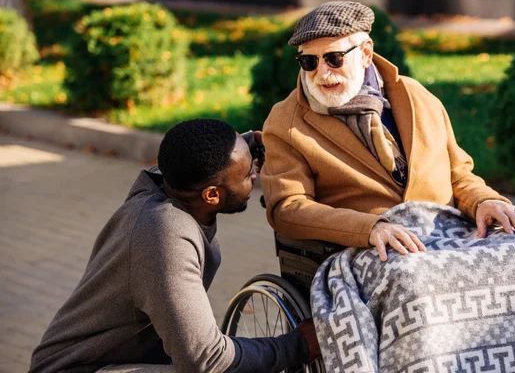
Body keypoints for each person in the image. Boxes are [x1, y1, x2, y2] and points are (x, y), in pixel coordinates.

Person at [29, 119, 320, 373]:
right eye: (248, 175)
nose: (255, 175)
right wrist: (297, 344)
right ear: (211, 195)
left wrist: (252, 142)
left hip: (122, 359)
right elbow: (208, 362)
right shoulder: (165, 236)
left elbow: (195, 153)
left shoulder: (170, 182)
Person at [261, 1, 515, 262]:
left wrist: (483, 200)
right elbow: (287, 208)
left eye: (334, 59)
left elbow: (458, 174)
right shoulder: (286, 122)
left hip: (448, 237)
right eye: (309, 62)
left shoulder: (416, 96)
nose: (321, 74)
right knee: (417, 282)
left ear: (366, 53)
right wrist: (369, 229)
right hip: (366, 250)